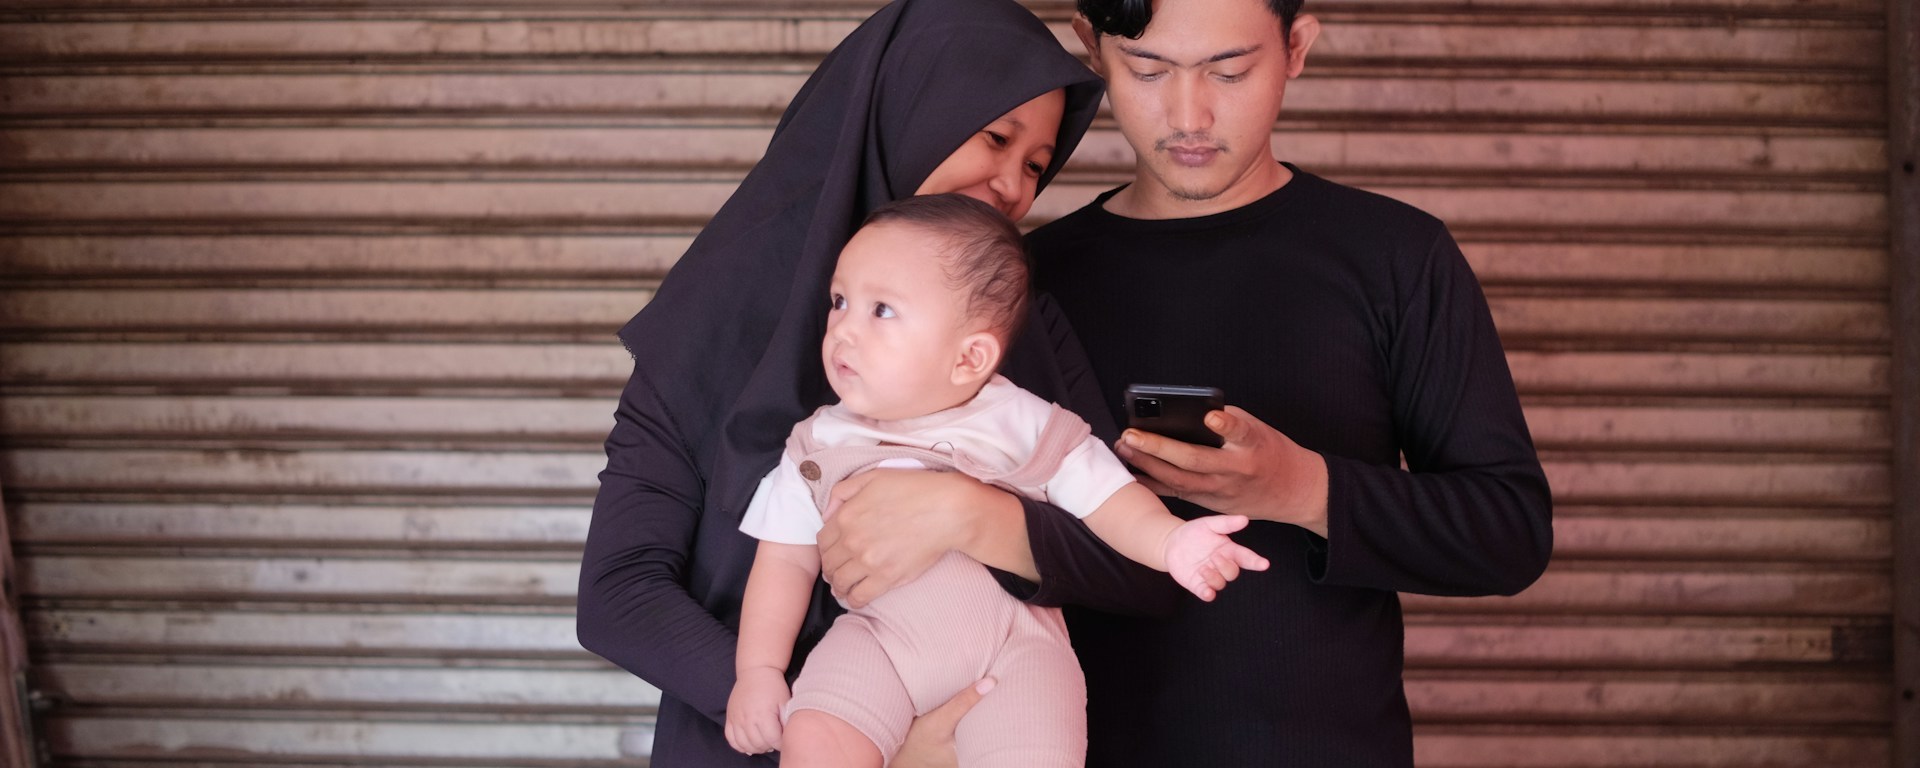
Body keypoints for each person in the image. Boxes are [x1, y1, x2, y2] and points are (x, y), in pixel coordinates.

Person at [815, 0, 1557, 765]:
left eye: (1229, 70)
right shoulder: (1019, 290)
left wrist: (1303, 490)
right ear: (1091, 49)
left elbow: (1509, 534)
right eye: (1147, 69)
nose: (1188, 113)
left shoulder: (1397, 258)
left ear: (1296, 48)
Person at [572, 0, 1113, 765]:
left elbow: (1126, 562)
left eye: (1036, 163)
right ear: (907, 109)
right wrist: (832, 724)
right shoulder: (713, 323)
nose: (1014, 187)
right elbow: (619, 595)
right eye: (996, 137)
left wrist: (976, 514)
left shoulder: (1013, 329)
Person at [723, 194, 1269, 767]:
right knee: (817, 735)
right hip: (880, 641)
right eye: (840, 301)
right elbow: (785, 560)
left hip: (1017, 652)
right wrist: (757, 671)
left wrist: (1170, 541)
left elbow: (1107, 498)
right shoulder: (817, 444)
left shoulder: (1023, 422)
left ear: (969, 358)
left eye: (881, 310)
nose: (843, 330)